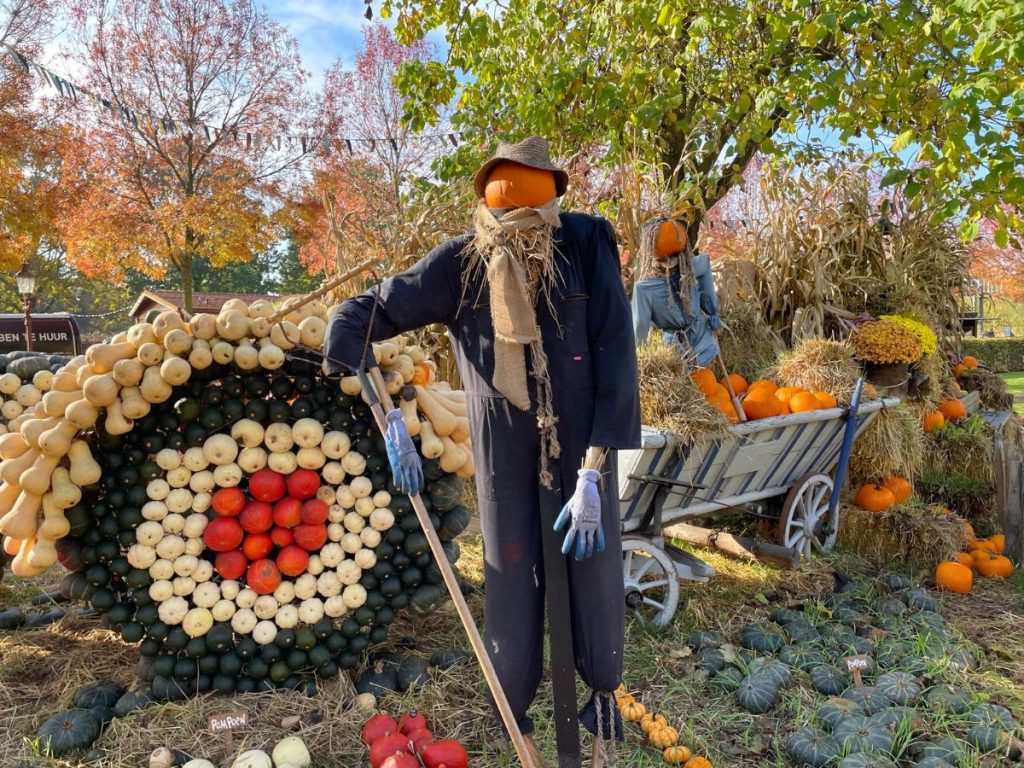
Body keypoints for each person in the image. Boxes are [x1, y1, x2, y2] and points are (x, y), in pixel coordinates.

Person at [324, 137, 640, 764]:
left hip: (581, 455)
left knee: (595, 576)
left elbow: (615, 355)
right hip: (503, 455)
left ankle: (600, 699)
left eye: (526, 187)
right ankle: (513, 713)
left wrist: (595, 470)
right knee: (510, 576)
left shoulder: (584, 242)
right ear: (488, 194)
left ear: (551, 189)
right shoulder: (460, 262)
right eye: (504, 188)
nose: (514, 202)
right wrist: (387, 415)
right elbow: (361, 316)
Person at [630, 215, 721, 366]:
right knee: (686, 382)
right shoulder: (644, 289)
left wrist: (712, 313)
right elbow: (639, 333)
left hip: (701, 335)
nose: (670, 264)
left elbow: (705, 275)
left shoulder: (693, 269)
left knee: (707, 382)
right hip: (674, 349)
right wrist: (640, 360)